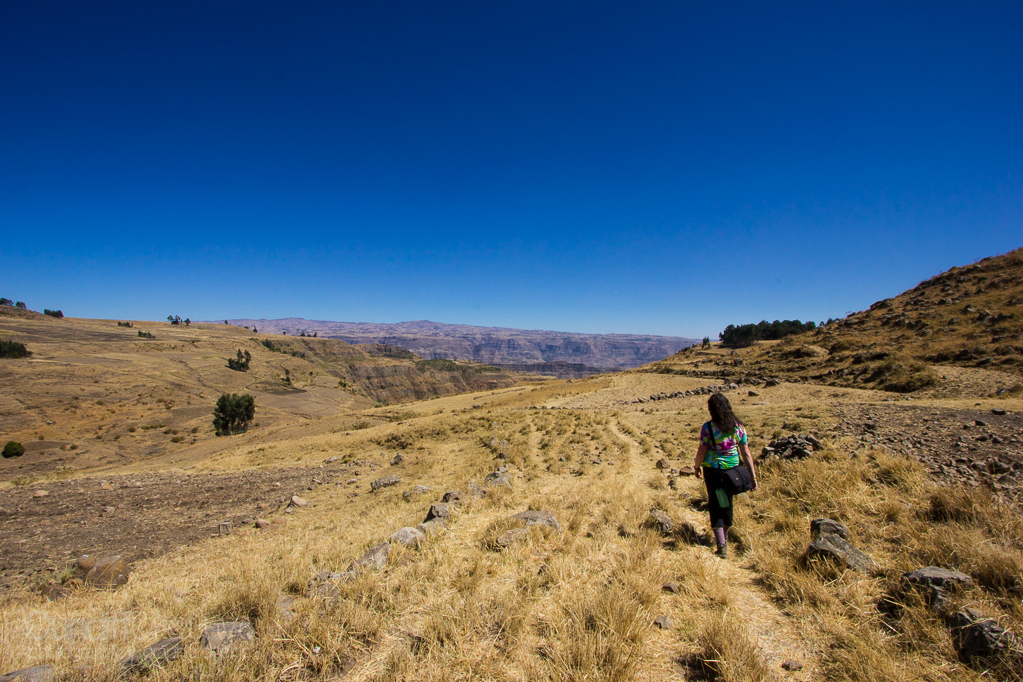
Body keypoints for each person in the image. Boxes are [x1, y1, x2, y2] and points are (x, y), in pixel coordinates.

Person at [694, 392, 758, 559]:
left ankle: (721, 543)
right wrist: (753, 477)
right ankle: (726, 536)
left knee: (715, 504)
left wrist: (696, 466)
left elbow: (702, 451)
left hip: (713, 470)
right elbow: (746, 453)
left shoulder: (708, 428)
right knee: (727, 503)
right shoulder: (738, 427)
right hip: (732, 471)